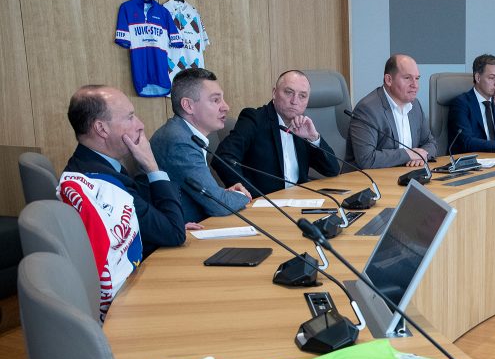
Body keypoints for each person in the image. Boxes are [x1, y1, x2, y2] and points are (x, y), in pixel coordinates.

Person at [62, 84, 187, 259]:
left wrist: (167, 222)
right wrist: (152, 166)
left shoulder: (95, 164)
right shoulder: (103, 183)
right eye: (130, 118)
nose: (140, 125)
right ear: (102, 129)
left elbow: (157, 222)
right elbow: (174, 234)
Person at [213, 70, 340, 195]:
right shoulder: (254, 119)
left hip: (300, 200)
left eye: (302, 96)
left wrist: (313, 138)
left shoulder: (302, 126)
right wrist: (249, 194)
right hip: (265, 206)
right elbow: (223, 158)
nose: (295, 101)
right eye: (289, 92)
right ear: (274, 93)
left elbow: (332, 170)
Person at [150, 68, 251, 223]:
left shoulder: (182, 133)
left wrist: (222, 194)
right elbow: (218, 205)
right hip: (183, 238)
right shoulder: (179, 142)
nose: (226, 107)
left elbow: (210, 195)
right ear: (188, 106)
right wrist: (242, 196)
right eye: (216, 100)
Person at [346, 54, 438, 169]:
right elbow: (366, 159)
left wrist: (422, 156)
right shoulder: (367, 109)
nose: (415, 85)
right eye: (407, 78)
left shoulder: (415, 106)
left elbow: (430, 143)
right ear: (389, 80)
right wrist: (408, 154)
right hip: (368, 181)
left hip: (405, 176)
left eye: (417, 78)